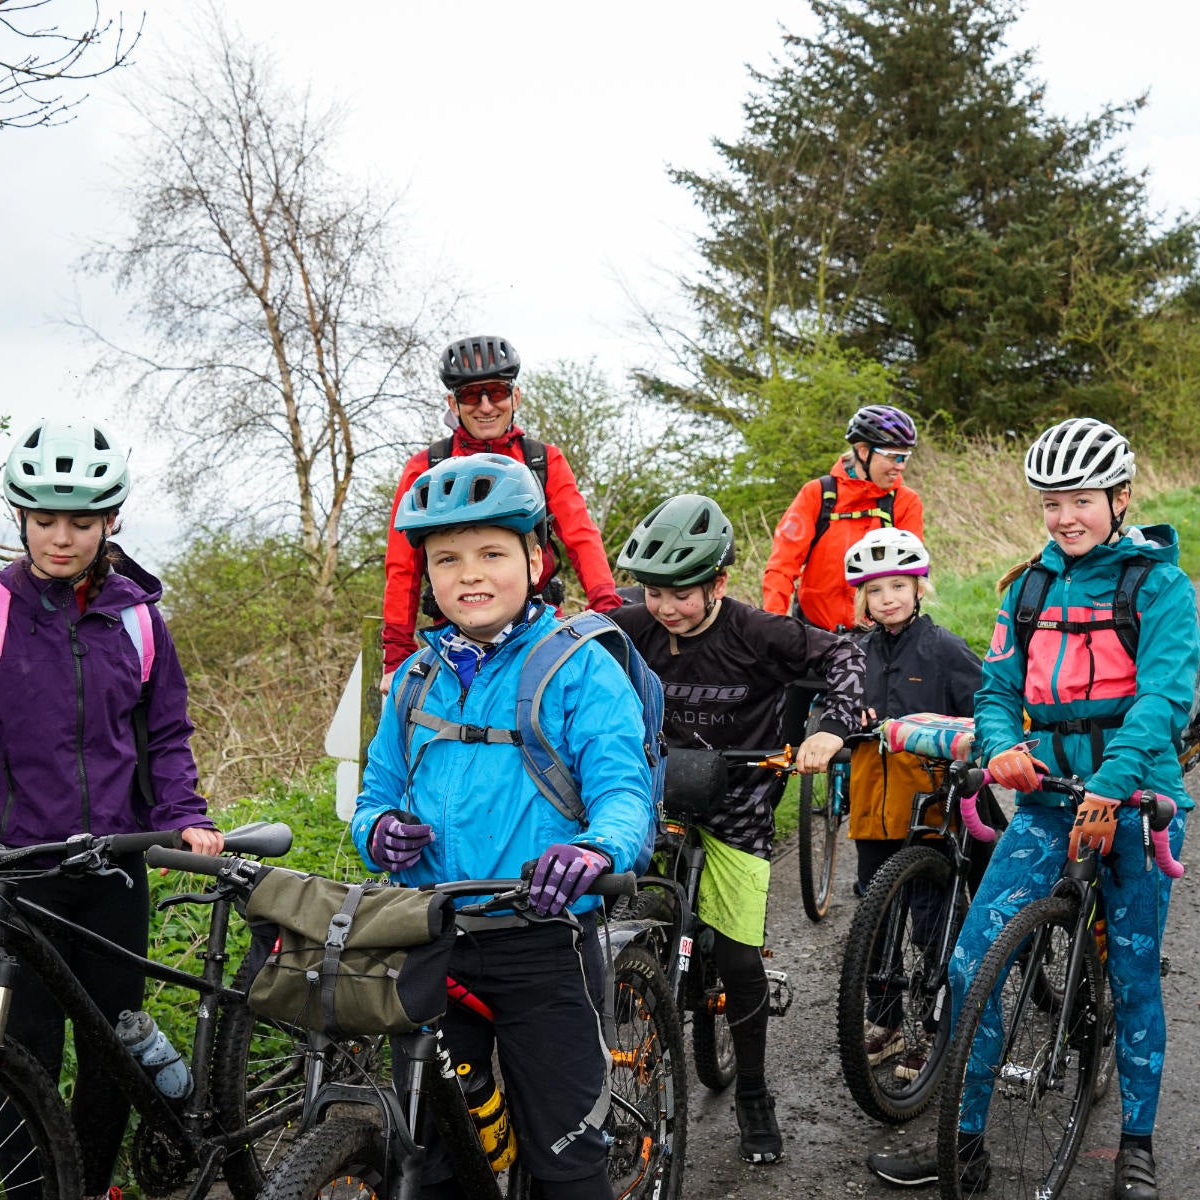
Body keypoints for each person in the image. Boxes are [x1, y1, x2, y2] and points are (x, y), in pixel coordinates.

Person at [0, 419, 224, 1200]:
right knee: (19, 1053)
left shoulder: (138, 621)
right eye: (46, 519)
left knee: (110, 1049)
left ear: (111, 519)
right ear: (19, 518)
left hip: (114, 871)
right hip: (10, 872)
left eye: (82, 520)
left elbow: (164, 736)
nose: (63, 537)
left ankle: (88, 1185)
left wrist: (186, 812)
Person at [868, 417, 1200, 1200]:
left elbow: (1163, 700)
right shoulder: (1027, 587)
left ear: (1120, 497)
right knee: (972, 961)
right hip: (1050, 802)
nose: (1064, 517)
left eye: (1080, 499)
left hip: (1136, 802)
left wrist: (1112, 786)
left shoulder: (1160, 587)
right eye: (1051, 502)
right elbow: (996, 691)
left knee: (1135, 971)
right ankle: (967, 1142)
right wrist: (1000, 746)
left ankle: (1137, 1147)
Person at [352, 453, 655, 1200]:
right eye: (446, 559)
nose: (469, 574)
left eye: (491, 552)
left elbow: (623, 790)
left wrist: (595, 848)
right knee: (431, 1165)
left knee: (566, 1168)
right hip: (431, 941)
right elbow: (376, 790)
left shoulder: (579, 668)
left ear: (535, 556)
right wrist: (379, 829)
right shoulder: (415, 677)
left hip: (541, 942)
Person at [611, 493, 864, 1165]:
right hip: (654, 795)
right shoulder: (628, 629)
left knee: (740, 960)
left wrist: (830, 728)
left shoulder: (758, 633)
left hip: (740, 801)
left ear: (719, 583)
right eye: (653, 592)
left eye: (681, 595)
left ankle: (753, 1093)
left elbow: (845, 660)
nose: (665, 608)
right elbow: (557, 656)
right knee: (606, 920)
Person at [380, 334, 621, 678]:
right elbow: (402, 565)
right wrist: (396, 657)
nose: (485, 406)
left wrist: (608, 613)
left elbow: (582, 539)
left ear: (515, 396)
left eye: (495, 392)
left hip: (538, 632)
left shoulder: (543, 460)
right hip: (457, 637)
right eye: (469, 395)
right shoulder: (426, 467)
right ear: (453, 403)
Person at [841, 527, 984, 1080]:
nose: (889, 599)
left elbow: (985, 713)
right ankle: (887, 1021)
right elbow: (833, 712)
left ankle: (940, 1024)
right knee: (876, 922)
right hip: (873, 811)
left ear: (920, 586)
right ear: (863, 600)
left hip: (930, 811)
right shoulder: (856, 651)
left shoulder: (943, 649)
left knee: (931, 921)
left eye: (899, 586)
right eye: (876, 591)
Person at [762, 402, 925, 632]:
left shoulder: (905, 502)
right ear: (863, 451)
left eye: (904, 457)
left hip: (877, 637)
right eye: (892, 457)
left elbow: (913, 574)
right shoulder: (816, 494)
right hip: (814, 634)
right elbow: (781, 568)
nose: (900, 467)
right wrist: (772, 627)